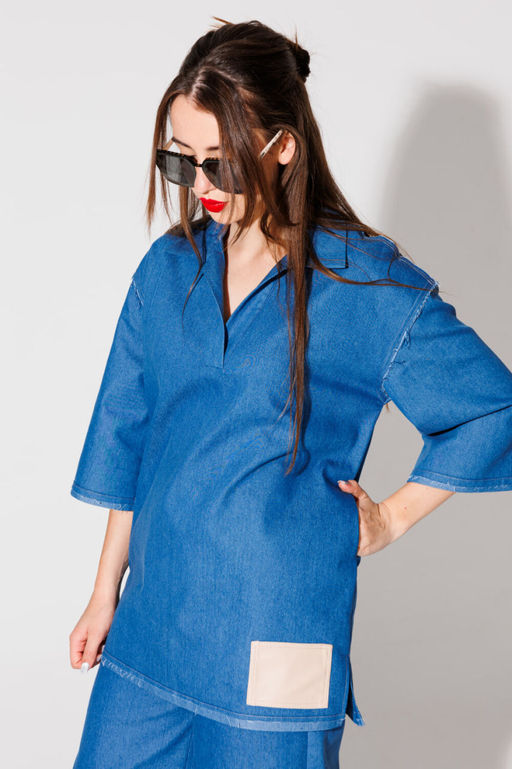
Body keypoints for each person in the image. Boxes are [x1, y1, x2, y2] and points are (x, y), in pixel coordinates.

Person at [68, 17, 512, 769]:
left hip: (278, 634)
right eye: (180, 162)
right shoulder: (169, 270)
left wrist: (391, 518)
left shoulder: (362, 284)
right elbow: (130, 437)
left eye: (221, 163)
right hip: (151, 631)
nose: (201, 187)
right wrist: (104, 591)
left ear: (281, 147)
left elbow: (493, 408)